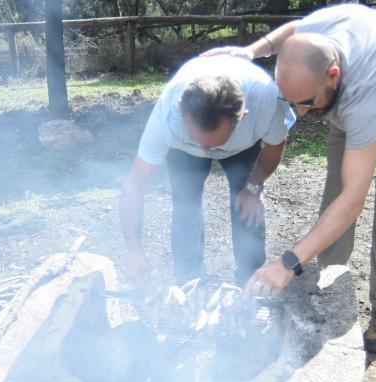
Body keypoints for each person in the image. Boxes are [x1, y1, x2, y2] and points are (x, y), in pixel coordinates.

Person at [204, 4, 376, 354]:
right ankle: (331, 285)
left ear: (333, 75)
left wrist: (288, 263)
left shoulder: (364, 92)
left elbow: (353, 200)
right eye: (290, 102)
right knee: (333, 192)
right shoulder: (317, 31)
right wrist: (252, 50)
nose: (300, 113)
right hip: (357, 84)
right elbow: (295, 29)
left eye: (306, 102)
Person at [120, 55, 295, 286]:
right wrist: (134, 251)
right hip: (183, 150)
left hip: (242, 147)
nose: (208, 151)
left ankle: (251, 278)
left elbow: (275, 145)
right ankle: (188, 278)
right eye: (200, 141)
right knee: (185, 206)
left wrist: (254, 187)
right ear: (184, 115)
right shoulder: (167, 118)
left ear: (242, 118)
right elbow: (134, 186)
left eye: (213, 142)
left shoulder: (266, 102)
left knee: (248, 206)